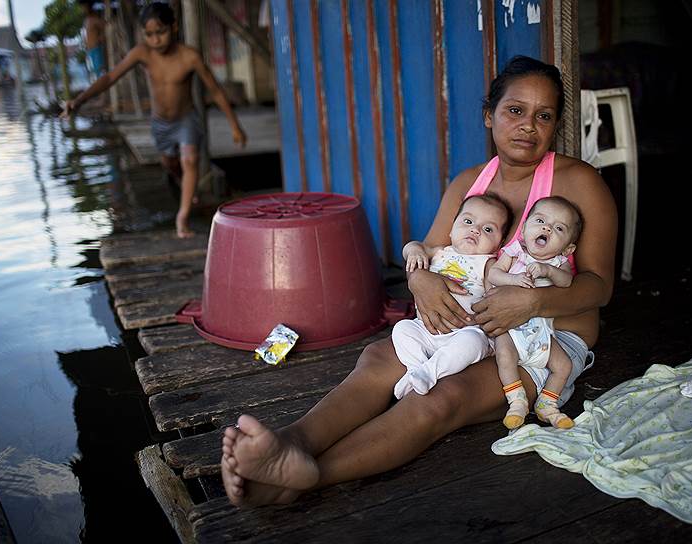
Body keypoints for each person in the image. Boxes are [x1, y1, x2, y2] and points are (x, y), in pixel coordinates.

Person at [220, 55, 617, 507]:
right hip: (472, 324)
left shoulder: (579, 183)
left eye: (543, 115)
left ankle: (303, 478)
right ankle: (290, 443)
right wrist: (420, 282)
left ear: (556, 124)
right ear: (489, 114)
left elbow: (600, 287)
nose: (527, 125)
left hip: (545, 341)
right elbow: (427, 255)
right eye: (514, 110)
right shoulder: (469, 182)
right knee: (378, 359)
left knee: (441, 398)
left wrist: (530, 304)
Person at [62, 2, 247, 238]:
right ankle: (181, 181)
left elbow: (217, 90)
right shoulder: (143, 53)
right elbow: (110, 77)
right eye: (149, 34)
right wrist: (78, 101)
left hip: (186, 119)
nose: (156, 40)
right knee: (170, 163)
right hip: (161, 124)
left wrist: (235, 125)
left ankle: (183, 217)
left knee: (189, 160)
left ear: (174, 27)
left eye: (161, 32)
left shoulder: (189, 57)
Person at [394, 194, 511, 399]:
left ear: (499, 244)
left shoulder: (487, 264)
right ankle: (416, 369)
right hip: (426, 329)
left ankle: (428, 373)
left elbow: (495, 296)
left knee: (474, 343)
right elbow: (412, 246)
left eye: (488, 229)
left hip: (463, 332)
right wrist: (413, 251)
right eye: (468, 221)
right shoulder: (439, 251)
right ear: (451, 228)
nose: (475, 229)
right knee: (402, 329)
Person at [486, 196, 583, 430]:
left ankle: (547, 404)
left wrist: (548, 270)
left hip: (541, 335)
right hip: (509, 327)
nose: (547, 227)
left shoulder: (559, 263)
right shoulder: (516, 251)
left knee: (564, 365)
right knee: (505, 356)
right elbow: (494, 275)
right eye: (540, 220)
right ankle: (516, 400)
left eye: (559, 228)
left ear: (568, 248)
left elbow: (566, 282)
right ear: (525, 227)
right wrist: (514, 279)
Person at [78, 0, 106, 81]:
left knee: (100, 74)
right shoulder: (86, 20)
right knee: (94, 75)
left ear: (88, 6)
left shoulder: (94, 19)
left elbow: (107, 27)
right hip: (89, 52)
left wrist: (100, 38)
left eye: (83, 7)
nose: (82, 9)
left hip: (96, 50)